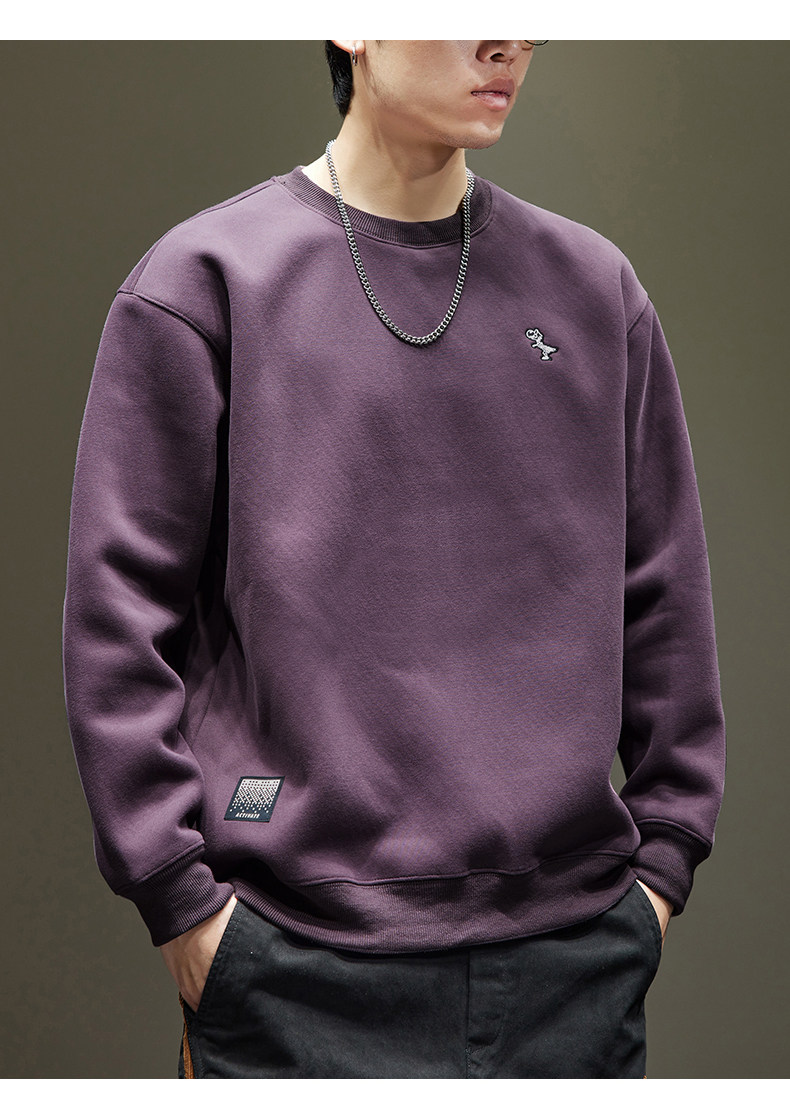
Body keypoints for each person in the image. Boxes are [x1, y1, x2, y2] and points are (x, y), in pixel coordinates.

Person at [62, 40, 726, 1079]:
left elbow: (666, 599)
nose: (507, 40)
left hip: (574, 970)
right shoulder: (204, 285)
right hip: (291, 968)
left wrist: (663, 867)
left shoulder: (595, 291)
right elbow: (117, 618)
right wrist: (184, 906)